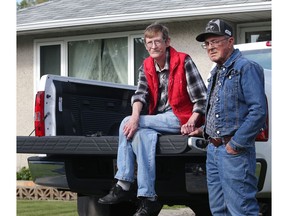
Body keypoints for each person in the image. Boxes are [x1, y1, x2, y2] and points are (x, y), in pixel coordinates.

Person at [98, 22, 207, 216]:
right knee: (141, 136)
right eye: (149, 43)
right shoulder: (146, 65)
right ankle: (148, 198)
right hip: (158, 119)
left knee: (125, 123)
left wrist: (192, 120)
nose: (153, 46)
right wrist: (135, 117)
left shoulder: (183, 61)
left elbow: (201, 99)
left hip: (180, 118)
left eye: (157, 41)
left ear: (167, 42)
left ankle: (123, 182)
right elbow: (140, 95)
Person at [191, 19, 267, 215]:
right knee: (218, 210)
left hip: (234, 151)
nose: (210, 48)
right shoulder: (216, 72)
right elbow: (222, 111)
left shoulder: (246, 68)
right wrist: (204, 130)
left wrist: (235, 144)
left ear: (230, 41)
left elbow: (258, 111)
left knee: (241, 210)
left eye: (215, 41)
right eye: (207, 44)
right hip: (214, 151)